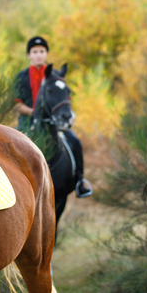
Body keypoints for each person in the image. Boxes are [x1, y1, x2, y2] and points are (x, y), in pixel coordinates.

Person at [14, 36, 93, 198]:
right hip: (27, 124)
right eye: (35, 52)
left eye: (41, 51)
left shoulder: (56, 76)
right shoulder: (21, 77)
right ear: (29, 55)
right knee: (12, 148)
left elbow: (64, 100)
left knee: (76, 142)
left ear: (46, 54)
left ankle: (79, 182)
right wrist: (33, 112)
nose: (38, 55)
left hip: (53, 125)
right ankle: (11, 182)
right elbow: (16, 104)